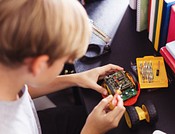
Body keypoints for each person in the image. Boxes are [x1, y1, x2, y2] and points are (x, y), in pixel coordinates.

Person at [0, 0, 125, 134]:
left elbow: (23, 86)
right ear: (39, 65)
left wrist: (76, 79)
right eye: (65, 60)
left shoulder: (9, 71)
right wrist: (91, 131)